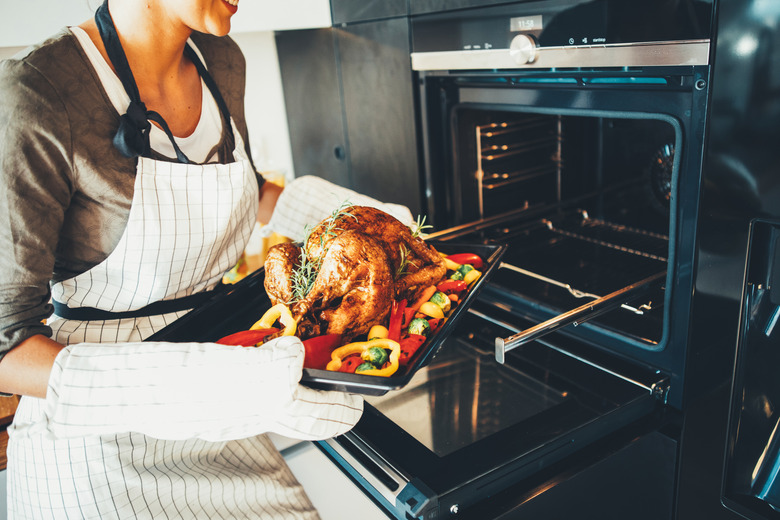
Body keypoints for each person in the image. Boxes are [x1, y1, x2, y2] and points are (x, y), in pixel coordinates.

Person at [0, 0, 382, 518]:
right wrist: (206, 385)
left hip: (223, 406)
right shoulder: (39, 92)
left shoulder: (221, 59)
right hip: (98, 445)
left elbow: (249, 188)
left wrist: (365, 223)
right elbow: (7, 348)